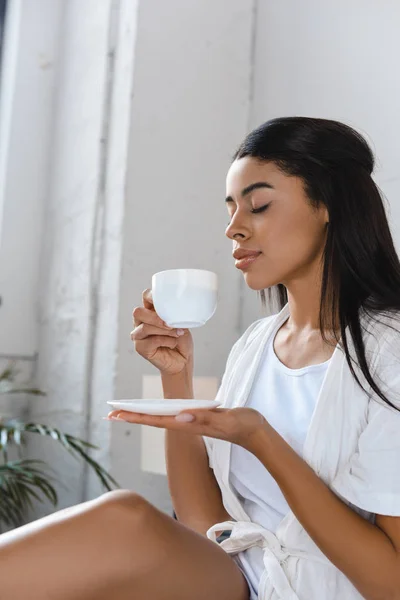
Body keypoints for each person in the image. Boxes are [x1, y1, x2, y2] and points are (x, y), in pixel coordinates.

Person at [1, 117, 399, 600]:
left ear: (329, 204)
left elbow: (389, 583)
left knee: (123, 522)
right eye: (230, 209)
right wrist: (177, 378)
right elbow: (201, 522)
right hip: (239, 580)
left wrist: (260, 438)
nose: (234, 229)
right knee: (123, 520)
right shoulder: (256, 345)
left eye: (259, 205)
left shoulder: (389, 351)